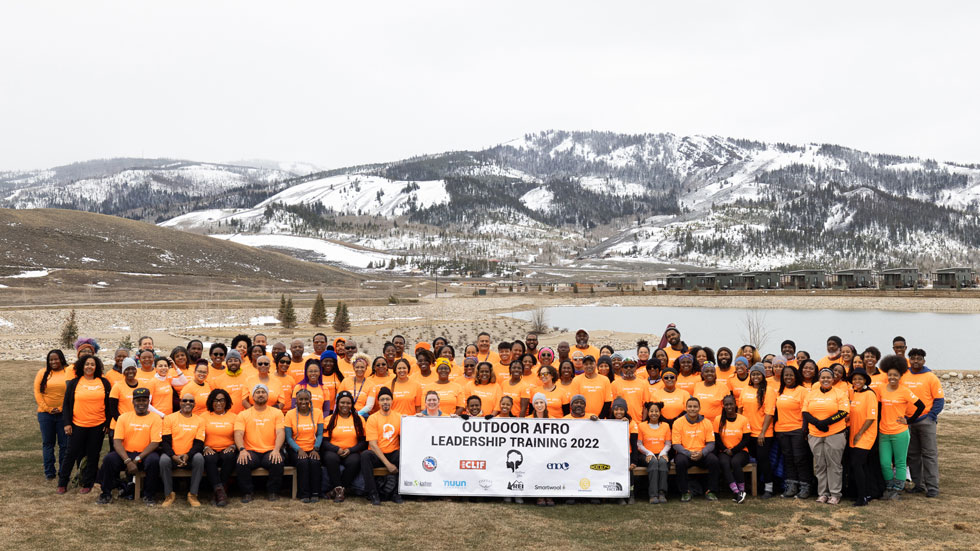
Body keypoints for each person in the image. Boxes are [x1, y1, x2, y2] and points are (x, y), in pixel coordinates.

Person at [96, 387, 162, 505]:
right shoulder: (123, 417)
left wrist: (137, 460)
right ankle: (105, 494)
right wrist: (127, 461)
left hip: (145, 454)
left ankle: (149, 495)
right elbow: (117, 442)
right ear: (133, 402)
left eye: (144, 400)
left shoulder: (155, 418)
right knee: (108, 459)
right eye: (138, 400)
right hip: (126, 454)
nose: (141, 403)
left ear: (148, 402)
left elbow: (155, 443)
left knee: (154, 460)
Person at [57, 355, 111, 494]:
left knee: (93, 455)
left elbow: (108, 405)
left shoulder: (104, 383)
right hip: (77, 425)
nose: (89, 367)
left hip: (97, 425)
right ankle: (62, 482)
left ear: (96, 367)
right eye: (87, 364)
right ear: (82, 366)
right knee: (71, 454)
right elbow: (67, 404)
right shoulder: (75, 382)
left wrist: (107, 422)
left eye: (92, 364)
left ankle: (88, 483)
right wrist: (67, 423)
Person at [878, 355, 925, 500]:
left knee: (900, 462)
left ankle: (897, 489)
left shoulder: (904, 391)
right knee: (885, 462)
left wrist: (909, 420)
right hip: (883, 432)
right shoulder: (881, 389)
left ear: (900, 376)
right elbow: (878, 407)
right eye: (890, 375)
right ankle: (889, 486)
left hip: (900, 432)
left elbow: (921, 406)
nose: (892, 377)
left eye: (895, 375)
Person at [803, 368, 850, 504]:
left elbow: (844, 411)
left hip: (835, 433)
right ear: (819, 379)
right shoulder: (811, 393)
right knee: (819, 464)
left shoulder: (839, 393)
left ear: (833, 379)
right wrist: (817, 423)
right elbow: (805, 411)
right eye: (823, 377)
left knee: (834, 464)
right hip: (815, 434)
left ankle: (835, 494)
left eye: (828, 377)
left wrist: (827, 422)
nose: (826, 380)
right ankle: (823, 493)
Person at [902, 348, 944, 497]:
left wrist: (931, 417)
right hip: (908, 422)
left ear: (923, 361)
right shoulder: (904, 375)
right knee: (913, 455)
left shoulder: (930, 377)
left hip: (926, 421)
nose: (915, 361)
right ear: (909, 360)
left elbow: (939, 400)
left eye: (919, 358)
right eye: (913, 358)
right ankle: (918, 484)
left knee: (929, 454)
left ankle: (932, 487)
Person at [234, 384, 286, 503]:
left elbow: (280, 432)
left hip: (270, 450)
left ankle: (273, 492)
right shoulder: (243, 414)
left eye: (263, 392)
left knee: (277, 460)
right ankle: (247, 492)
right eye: (257, 392)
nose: (260, 394)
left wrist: (277, 450)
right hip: (251, 451)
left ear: (267, 396)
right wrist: (242, 450)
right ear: (252, 396)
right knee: (242, 461)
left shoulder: (277, 413)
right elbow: (238, 434)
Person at [159, 392, 206, 507]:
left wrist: (188, 455)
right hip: (172, 456)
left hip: (189, 456)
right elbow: (165, 441)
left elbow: (199, 443)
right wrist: (173, 456)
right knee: (163, 460)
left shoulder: (200, 421)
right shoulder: (170, 418)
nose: (188, 403)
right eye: (185, 400)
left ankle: (193, 494)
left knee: (199, 458)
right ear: (180, 403)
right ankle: (169, 494)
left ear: (194, 404)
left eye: (191, 401)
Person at [321, 390, 366, 502]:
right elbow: (324, 441)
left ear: (352, 404)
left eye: (348, 403)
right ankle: (339, 489)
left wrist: (351, 450)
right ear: (337, 403)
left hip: (351, 451)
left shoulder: (358, 419)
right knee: (330, 458)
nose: (345, 405)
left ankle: (337, 490)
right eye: (342, 402)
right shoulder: (329, 419)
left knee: (355, 460)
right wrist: (337, 449)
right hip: (334, 451)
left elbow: (363, 442)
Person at [361, 387, 404, 505]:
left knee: (403, 455)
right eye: (382, 399)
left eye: (388, 399)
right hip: (377, 455)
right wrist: (388, 465)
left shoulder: (399, 417)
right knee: (365, 456)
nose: (385, 402)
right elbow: (373, 445)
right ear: (378, 402)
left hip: (393, 452)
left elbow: (405, 437)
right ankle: (373, 493)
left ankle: (396, 493)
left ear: (392, 401)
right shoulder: (372, 418)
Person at [672, 397, 719, 502]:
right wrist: (688, 453)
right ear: (686, 408)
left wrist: (702, 453)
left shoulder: (706, 422)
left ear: (699, 408)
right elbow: (676, 444)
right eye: (690, 406)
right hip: (685, 453)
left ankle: (711, 491)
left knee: (714, 460)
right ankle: (685, 492)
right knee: (680, 461)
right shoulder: (678, 422)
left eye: (695, 406)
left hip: (702, 453)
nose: (692, 409)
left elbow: (711, 443)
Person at [739, 363, 776, 498]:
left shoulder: (769, 390)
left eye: (758, 374)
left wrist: (762, 432)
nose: (755, 376)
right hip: (748, 432)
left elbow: (769, 413)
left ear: (763, 376)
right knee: (752, 460)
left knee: (763, 459)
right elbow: (740, 409)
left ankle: (769, 488)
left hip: (763, 433)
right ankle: (756, 486)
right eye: (753, 374)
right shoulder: (745, 389)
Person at [774, 365, 810, 499]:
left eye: (790, 375)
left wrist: (804, 430)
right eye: (785, 375)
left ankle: (805, 487)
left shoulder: (802, 391)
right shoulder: (780, 391)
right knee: (788, 459)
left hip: (797, 430)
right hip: (782, 430)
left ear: (796, 376)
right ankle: (791, 486)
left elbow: (806, 412)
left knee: (799, 458)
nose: (788, 377)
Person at [35, 349, 70, 480]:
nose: (54, 361)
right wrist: (47, 408)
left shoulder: (68, 371)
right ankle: (49, 472)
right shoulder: (42, 373)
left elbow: (70, 392)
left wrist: (61, 408)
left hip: (63, 414)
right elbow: (37, 392)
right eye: (51, 359)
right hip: (45, 414)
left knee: (64, 444)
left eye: (56, 359)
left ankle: (63, 471)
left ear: (61, 359)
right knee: (48, 443)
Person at [285, 388, 324, 503]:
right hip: (296, 449)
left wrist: (316, 449)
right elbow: (288, 438)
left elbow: (320, 434)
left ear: (310, 400)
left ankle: (315, 493)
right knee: (303, 462)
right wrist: (299, 450)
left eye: (306, 399)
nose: (303, 402)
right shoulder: (290, 414)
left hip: (313, 448)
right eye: (300, 399)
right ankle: (304, 494)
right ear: (296, 401)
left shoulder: (317, 413)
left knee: (314, 462)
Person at [201, 388, 237, 507]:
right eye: (215, 400)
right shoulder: (204, 417)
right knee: (210, 458)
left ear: (226, 402)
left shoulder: (234, 417)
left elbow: (240, 435)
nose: (219, 403)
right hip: (210, 448)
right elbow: (198, 436)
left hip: (228, 448)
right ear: (211, 402)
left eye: (222, 400)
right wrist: (205, 447)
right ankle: (220, 491)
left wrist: (233, 446)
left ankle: (217, 492)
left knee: (229, 456)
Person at [848, 369, 878, 506]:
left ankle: (862, 497)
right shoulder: (853, 393)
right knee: (860, 466)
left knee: (857, 464)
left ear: (865, 380)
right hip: (853, 435)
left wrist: (860, 433)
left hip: (865, 435)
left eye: (860, 379)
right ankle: (864, 492)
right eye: (854, 379)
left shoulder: (870, 394)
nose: (857, 381)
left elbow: (871, 418)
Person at [714, 394, 752, 503]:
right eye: (726, 404)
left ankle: (742, 490)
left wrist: (733, 450)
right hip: (724, 451)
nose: (729, 406)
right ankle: (736, 492)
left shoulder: (743, 419)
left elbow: (746, 439)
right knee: (724, 463)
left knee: (736, 462)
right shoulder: (718, 419)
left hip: (741, 451)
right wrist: (726, 450)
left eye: (731, 404)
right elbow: (717, 439)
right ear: (723, 406)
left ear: (735, 404)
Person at [637, 401, 671, 504]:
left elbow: (668, 443)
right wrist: (649, 453)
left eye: (656, 411)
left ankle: (662, 493)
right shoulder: (642, 426)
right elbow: (639, 444)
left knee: (662, 462)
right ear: (648, 412)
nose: (654, 413)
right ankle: (653, 495)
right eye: (651, 411)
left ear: (660, 413)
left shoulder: (665, 426)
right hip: (646, 454)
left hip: (661, 453)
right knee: (653, 462)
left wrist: (663, 453)